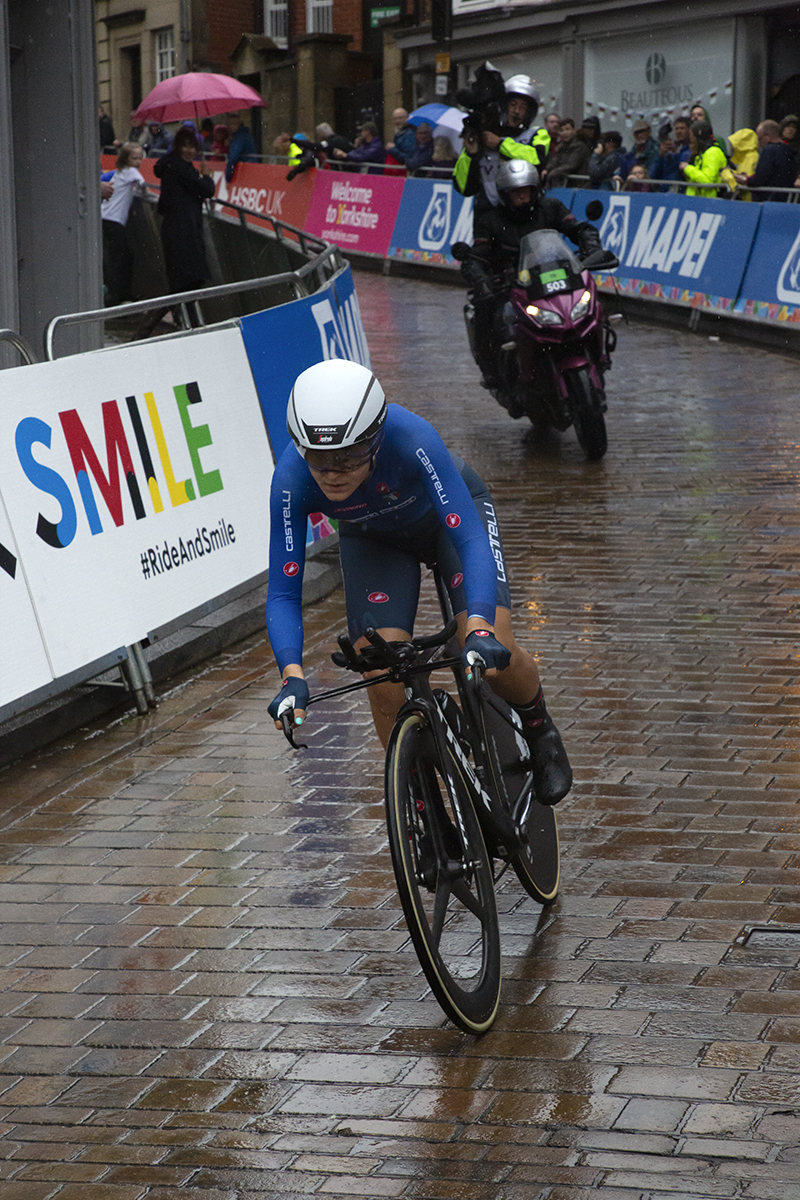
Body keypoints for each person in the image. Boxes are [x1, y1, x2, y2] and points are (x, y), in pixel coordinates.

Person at [265, 358, 573, 807]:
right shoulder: (290, 480)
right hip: (375, 542)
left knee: (494, 645)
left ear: (374, 438)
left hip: (448, 528)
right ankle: (421, 806)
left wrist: (482, 629)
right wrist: (291, 675)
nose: (332, 473)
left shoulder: (412, 438)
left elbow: (468, 537)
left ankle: (540, 726)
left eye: (348, 456)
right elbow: (283, 591)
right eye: (318, 458)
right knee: (378, 668)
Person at [459, 158, 601, 396]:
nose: (522, 197)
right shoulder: (491, 220)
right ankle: (493, 371)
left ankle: (599, 352)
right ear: (505, 195)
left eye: (525, 191)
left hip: (552, 277)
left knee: (590, 301)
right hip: (511, 284)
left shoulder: (551, 207)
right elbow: (476, 256)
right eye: (516, 193)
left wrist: (592, 247)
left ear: (535, 189)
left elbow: (578, 229)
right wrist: (480, 278)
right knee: (488, 314)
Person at [138, 128, 214, 336]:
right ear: (178, 146)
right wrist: (206, 176)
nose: (190, 151)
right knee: (187, 281)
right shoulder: (180, 168)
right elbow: (207, 190)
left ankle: (183, 324)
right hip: (183, 232)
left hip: (180, 230)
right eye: (186, 146)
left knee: (186, 282)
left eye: (193, 146)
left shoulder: (173, 166)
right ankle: (159, 324)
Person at [453, 74, 550, 213]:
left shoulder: (537, 134)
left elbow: (537, 159)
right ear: (504, 106)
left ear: (529, 112)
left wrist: (500, 144)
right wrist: (471, 153)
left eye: (523, 107)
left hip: (523, 213)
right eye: (513, 104)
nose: (517, 111)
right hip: (487, 214)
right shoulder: (484, 134)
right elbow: (464, 188)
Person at [101, 142, 145, 306]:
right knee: (121, 258)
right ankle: (118, 296)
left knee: (121, 256)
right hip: (114, 219)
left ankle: (120, 294)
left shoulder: (119, 173)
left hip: (107, 217)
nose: (138, 162)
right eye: (134, 158)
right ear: (126, 159)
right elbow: (143, 184)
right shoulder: (131, 172)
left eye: (140, 158)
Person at [734, 119, 798, 200]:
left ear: (767, 137)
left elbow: (759, 180)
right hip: (786, 200)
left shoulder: (769, 151)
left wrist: (745, 180)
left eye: (759, 138)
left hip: (769, 200)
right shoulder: (789, 151)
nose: (758, 143)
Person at [679, 120, 727, 197]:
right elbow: (698, 178)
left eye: (692, 135)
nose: (690, 137)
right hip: (697, 201)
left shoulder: (713, 152)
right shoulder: (702, 154)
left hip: (709, 203)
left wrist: (687, 168)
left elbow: (707, 180)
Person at [541, 117, 590, 189]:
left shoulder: (579, 146)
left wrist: (552, 173)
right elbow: (555, 160)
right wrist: (547, 169)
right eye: (561, 130)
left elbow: (571, 165)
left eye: (567, 129)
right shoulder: (560, 147)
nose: (565, 133)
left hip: (579, 185)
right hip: (566, 184)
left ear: (574, 130)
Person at [650, 117, 692, 185]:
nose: (679, 131)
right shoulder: (669, 150)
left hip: (681, 190)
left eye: (682, 128)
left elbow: (683, 169)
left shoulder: (691, 149)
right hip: (664, 191)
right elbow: (653, 175)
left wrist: (675, 152)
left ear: (689, 130)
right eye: (677, 129)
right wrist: (660, 156)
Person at [225, 112, 258, 181]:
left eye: (234, 123)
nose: (231, 126)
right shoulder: (244, 135)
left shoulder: (240, 138)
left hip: (246, 171)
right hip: (251, 169)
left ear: (239, 124)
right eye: (229, 124)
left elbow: (233, 157)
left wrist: (228, 177)